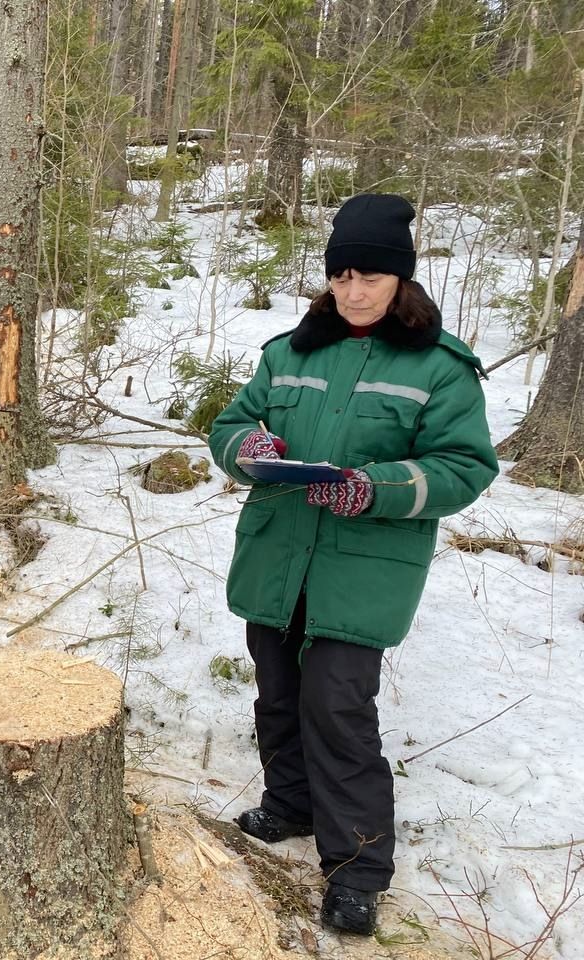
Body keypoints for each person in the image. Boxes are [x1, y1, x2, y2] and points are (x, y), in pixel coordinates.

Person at [209, 193, 498, 936]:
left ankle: (358, 870)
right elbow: (235, 422)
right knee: (277, 691)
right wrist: (249, 449)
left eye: (369, 276)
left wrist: (378, 488)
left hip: (363, 566)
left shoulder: (440, 367)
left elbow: (465, 466)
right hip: (280, 555)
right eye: (341, 276)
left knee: (337, 708)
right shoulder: (291, 351)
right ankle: (291, 803)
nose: (354, 291)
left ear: (400, 280)